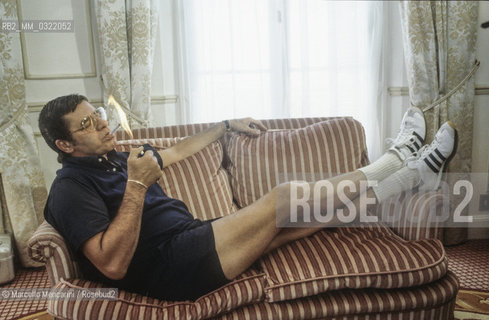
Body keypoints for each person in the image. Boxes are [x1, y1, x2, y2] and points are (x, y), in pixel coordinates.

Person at [39, 94, 456, 301]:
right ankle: (399, 158)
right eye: (88, 124)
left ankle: (411, 178)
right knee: (282, 199)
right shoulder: (69, 190)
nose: (103, 125)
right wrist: (135, 186)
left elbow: (180, 150)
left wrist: (225, 125)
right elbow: (111, 264)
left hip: (190, 238)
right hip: (170, 268)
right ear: (65, 145)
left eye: (99, 116)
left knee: (299, 222)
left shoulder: (112, 158)